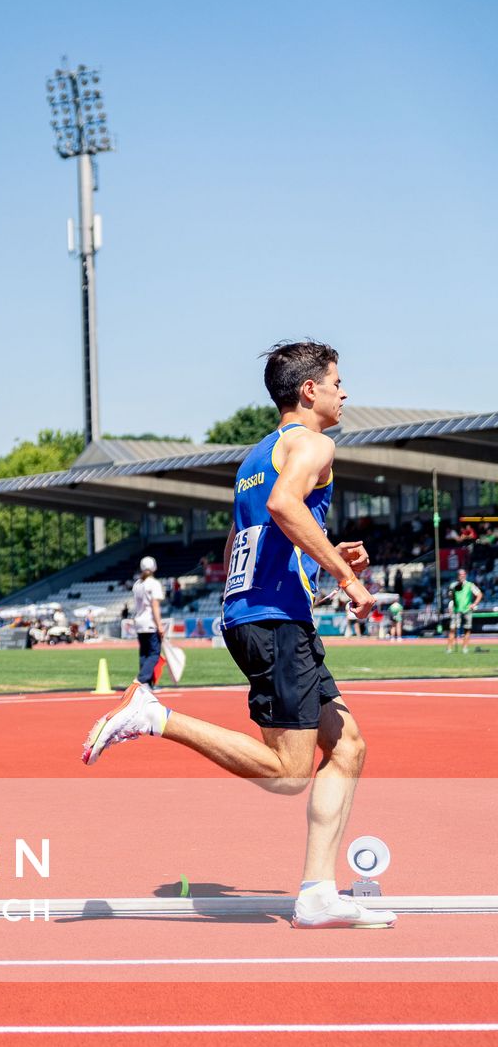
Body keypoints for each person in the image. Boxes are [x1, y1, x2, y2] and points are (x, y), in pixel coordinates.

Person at [82, 340, 391, 928]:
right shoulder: (315, 443)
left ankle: (318, 893)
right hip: (272, 621)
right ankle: (155, 715)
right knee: (289, 774)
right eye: (336, 381)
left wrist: (322, 557)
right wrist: (345, 574)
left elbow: (240, 541)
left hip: (260, 613)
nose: (344, 392)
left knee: (348, 746)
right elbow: (284, 506)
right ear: (309, 391)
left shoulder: (256, 456)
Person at [130, 556, 166, 685]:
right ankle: (141, 679)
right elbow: (155, 607)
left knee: (144, 654)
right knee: (154, 654)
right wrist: (160, 626)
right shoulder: (154, 584)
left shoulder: (137, 584)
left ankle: (147, 684)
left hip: (139, 622)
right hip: (150, 622)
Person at [448, 569, 483, 652]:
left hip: (467, 610)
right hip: (456, 610)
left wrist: (474, 604)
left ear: (466, 575)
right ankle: (449, 649)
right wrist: (451, 603)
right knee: (453, 629)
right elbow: (451, 597)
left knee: (467, 629)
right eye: (460, 574)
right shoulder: (453, 585)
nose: (462, 576)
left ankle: (465, 648)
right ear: (457, 576)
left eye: (463, 574)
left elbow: (479, 594)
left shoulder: (470, 585)